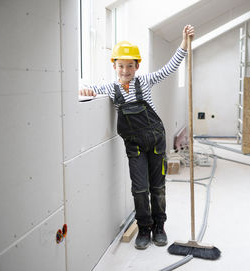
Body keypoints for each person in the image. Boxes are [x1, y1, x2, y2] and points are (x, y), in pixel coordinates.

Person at [79, 25, 195, 250]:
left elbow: (170, 68)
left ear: (137, 66)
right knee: (139, 188)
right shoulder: (111, 88)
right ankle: (144, 228)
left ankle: (159, 227)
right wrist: (84, 89)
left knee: (158, 187)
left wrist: (184, 42)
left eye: (130, 66)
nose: (125, 70)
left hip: (155, 143)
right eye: (121, 66)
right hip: (134, 147)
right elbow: (88, 88)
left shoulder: (146, 81)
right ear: (114, 66)